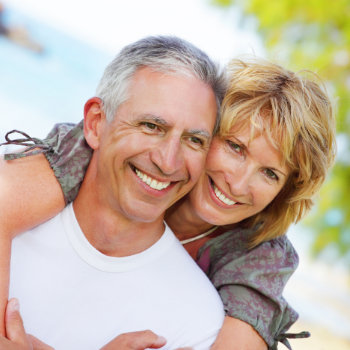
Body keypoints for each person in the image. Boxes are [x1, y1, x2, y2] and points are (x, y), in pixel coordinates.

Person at [0, 53, 336, 349]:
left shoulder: (258, 258)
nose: (238, 182)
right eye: (235, 147)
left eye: (270, 174)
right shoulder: (99, 150)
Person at [1, 35, 228, 350]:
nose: (168, 161)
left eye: (194, 140)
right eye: (151, 126)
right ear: (96, 124)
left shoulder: (196, 320)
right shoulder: (10, 195)